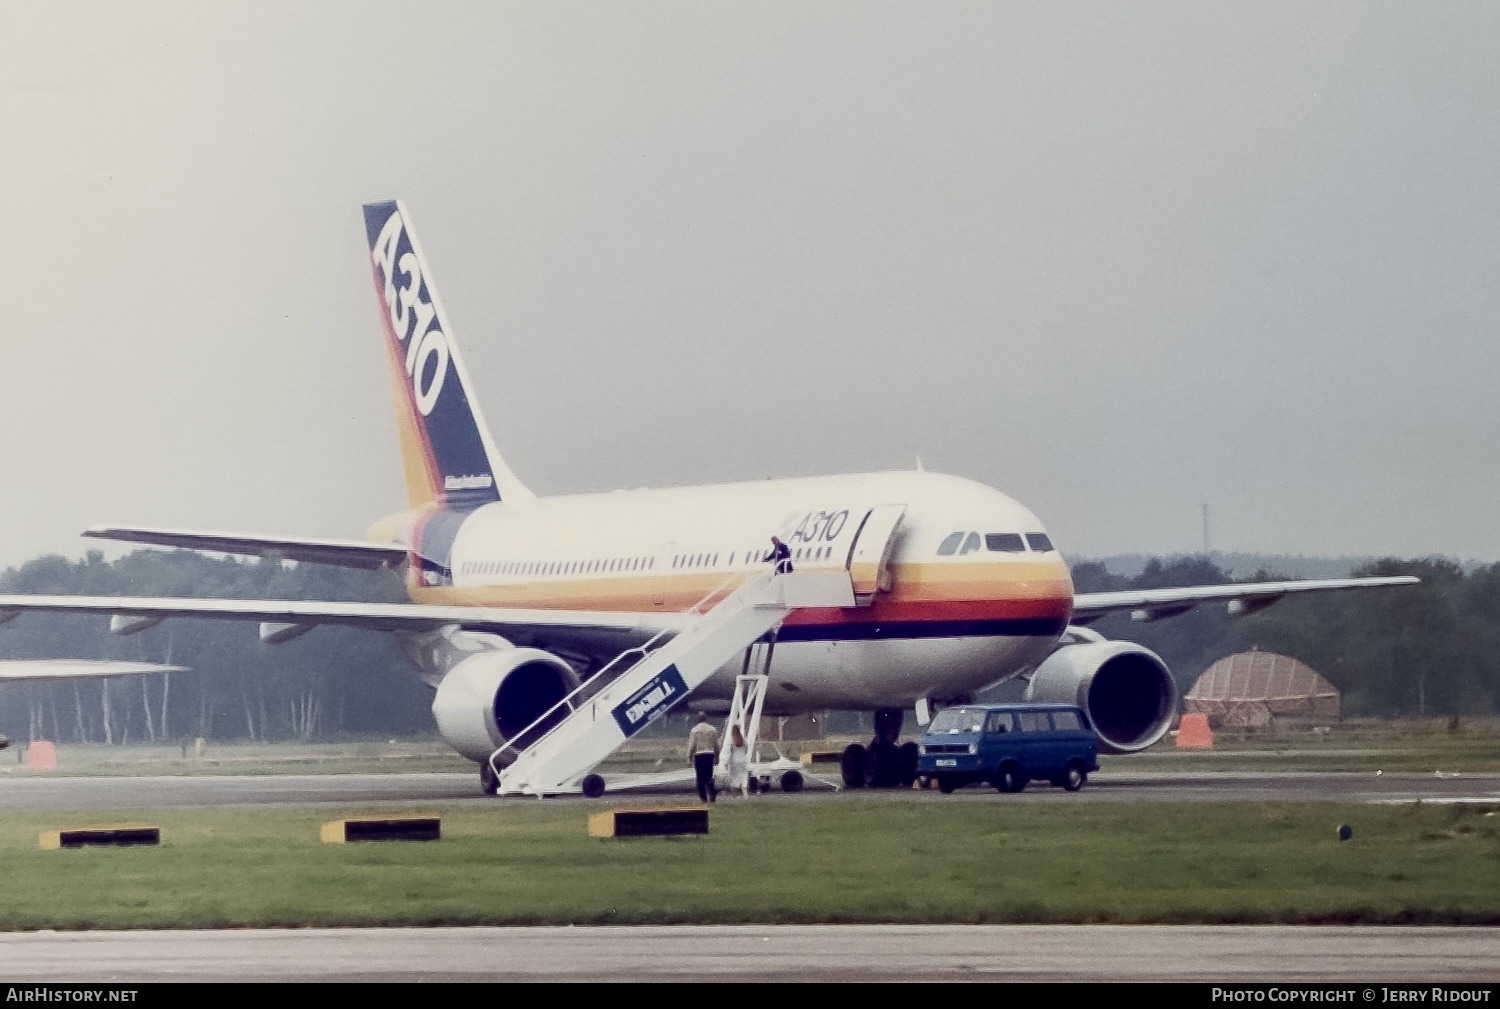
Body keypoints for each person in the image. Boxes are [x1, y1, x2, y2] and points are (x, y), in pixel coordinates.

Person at [687, 711, 720, 803]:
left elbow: (692, 745)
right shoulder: (712, 729)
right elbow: (716, 745)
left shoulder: (695, 730)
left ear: (698, 719)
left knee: (700, 777)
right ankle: (712, 793)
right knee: (709, 776)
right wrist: (717, 756)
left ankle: (703, 798)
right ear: (706, 718)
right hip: (710, 754)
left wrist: (689, 756)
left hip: (699, 755)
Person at [726, 723, 750, 798]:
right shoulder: (743, 740)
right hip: (743, 760)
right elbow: (746, 750)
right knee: (743, 776)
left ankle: (734, 795)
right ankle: (744, 791)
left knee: (734, 778)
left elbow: (730, 753)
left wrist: (727, 762)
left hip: (734, 761)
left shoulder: (732, 741)